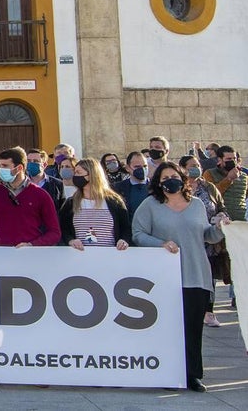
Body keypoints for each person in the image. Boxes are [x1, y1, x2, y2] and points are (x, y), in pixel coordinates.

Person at [133, 161, 229, 393]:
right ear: (158, 183)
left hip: (196, 274)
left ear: (183, 178)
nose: (169, 181)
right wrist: (161, 243)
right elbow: (138, 234)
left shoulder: (196, 205)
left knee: (193, 328)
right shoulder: (150, 205)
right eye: (164, 178)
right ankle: (168, 372)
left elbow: (206, 235)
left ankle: (192, 375)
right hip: (165, 277)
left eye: (173, 176)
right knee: (169, 328)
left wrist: (220, 227)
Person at [181, 154, 229, 327]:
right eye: (192, 165)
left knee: (208, 277)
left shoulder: (209, 187)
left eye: (198, 165)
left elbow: (221, 206)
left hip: (208, 240)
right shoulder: (178, 188)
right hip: (185, 241)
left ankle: (209, 311)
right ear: (183, 168)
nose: (197, 167)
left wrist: (221, 217)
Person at [0, 147, 60, 247]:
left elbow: (54, 232)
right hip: (2, 255)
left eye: (5, 166)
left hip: (31, 255)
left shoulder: (40, 195)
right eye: (0, 165)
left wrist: (32, 245)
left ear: (19, 168)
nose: (1, 169)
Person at [58, 159, 131, 251]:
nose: (75, 176)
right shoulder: (71, 203)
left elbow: (125, 227)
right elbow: (63, 228)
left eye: (78, 172)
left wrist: (123, 240)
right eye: (75, 172)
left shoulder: (114, 202)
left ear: (92, 175)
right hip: (79, 257)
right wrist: (70, 240)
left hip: (110, 256)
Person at [206, 145, 247, 220]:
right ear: (220, 160)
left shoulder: (244, 176)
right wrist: (229, 179)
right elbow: (210, 196)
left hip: (241, 219)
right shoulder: (210, 174)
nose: (232, 161)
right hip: (221, 219)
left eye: (234, 159)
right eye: (228, 159)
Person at [112, 151, 151, 221]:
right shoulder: (117, 188)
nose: (142, 169)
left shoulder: (156, 187)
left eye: (145, 166)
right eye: (137, 167)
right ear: (127, 168)